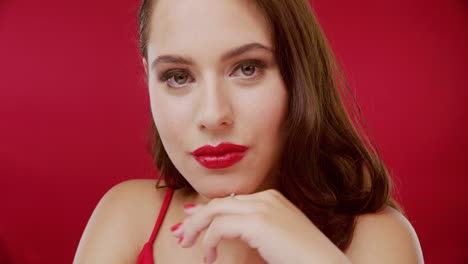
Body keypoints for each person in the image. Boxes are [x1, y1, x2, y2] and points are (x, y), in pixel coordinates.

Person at [73, 0, 424, 263]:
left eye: (247, 68)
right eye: (178, 76)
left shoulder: (377, 240)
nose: (213, 115)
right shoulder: (128, 214)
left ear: (297, 73)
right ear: (148, 76)